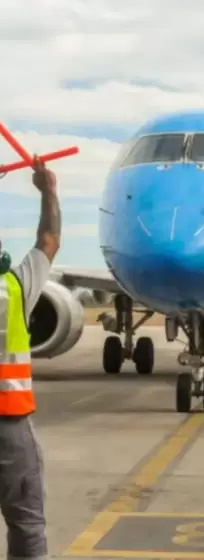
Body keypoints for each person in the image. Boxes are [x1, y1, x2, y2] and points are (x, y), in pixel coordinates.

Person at [0, 156, 61, 560]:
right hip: (9, 427)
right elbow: (49, 240)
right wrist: (48, 191)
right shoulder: (14, 288)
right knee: (26, 525)